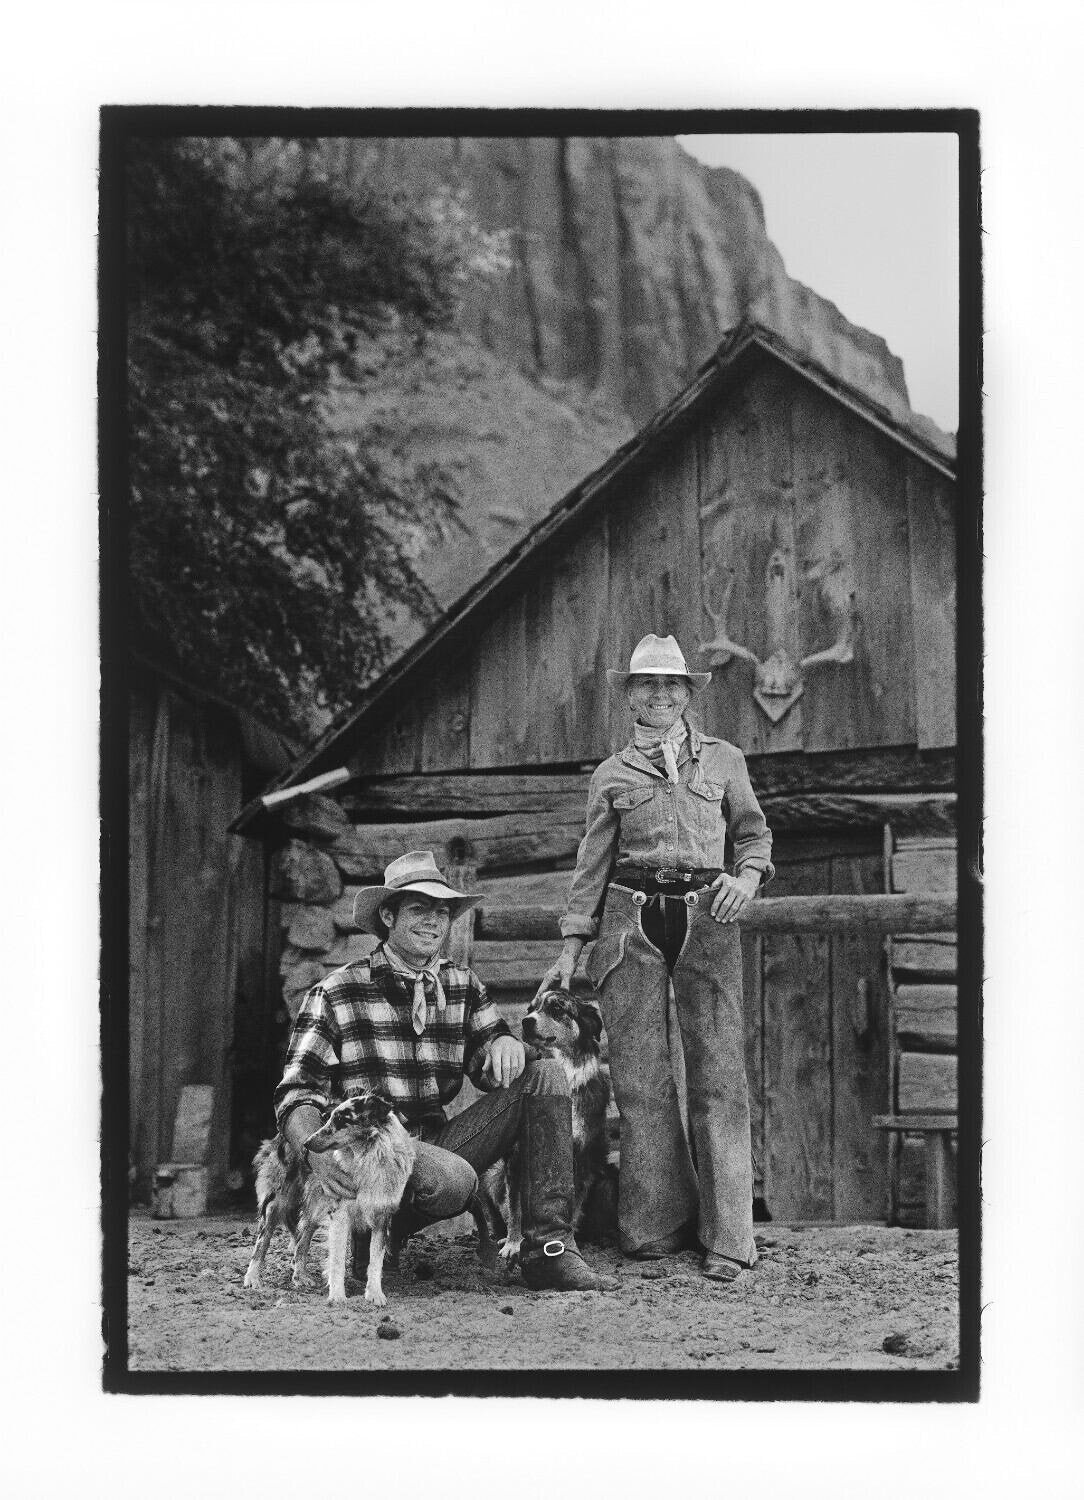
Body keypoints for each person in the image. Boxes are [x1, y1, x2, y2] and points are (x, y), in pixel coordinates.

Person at [536, 633, 774, 1281]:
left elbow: (753, 834)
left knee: (719, 1075)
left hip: (709, 917)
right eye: (648, 684)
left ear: (689, 693)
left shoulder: (725, 762)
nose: (661, 694)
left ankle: (729, 1239)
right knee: (641, 1079)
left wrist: (747, 879)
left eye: (672, 684)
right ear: (630, 694)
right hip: (628, 922)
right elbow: (594, 865)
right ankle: (654, 1227)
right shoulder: (612, 776)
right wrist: (570, 946)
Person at [274, 849, 618, 1293]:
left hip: (436, 1143)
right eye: (419, 909)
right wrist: (315, 1153)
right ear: (388, 915)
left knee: (546, 1076)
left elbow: (491, 1061)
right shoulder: (335, 991)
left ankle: (550, 1249)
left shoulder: (461, 985)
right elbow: (295, 1093)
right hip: (370, 1157)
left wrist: (505, 1043)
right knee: (452, 1180)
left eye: (442, 911)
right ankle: (370, 1237)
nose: (434, 921)